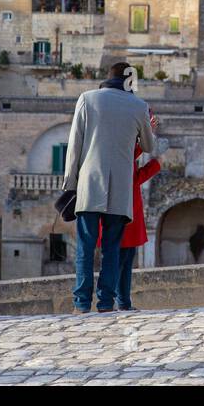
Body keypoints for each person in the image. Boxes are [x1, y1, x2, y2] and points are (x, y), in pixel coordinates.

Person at [63, 61, 156, 313]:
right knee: (112, 248)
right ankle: (105, 303)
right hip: (121, 189)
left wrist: (69, 184)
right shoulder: (139, 106)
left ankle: (81, 303)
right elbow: (149, 146)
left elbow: (74, 146)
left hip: (90, 184)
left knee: (85, 245)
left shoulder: (87, 99)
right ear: (130, 81)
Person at [111, 110, 161, 311]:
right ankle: (119, 301)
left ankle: (122, 301)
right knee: (122, 260)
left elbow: (131, 159)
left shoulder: (123, 144)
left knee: (124, 259)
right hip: (126, 210)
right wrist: (155, 166)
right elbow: (131, 178)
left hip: (125, 209)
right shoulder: (122, 145)